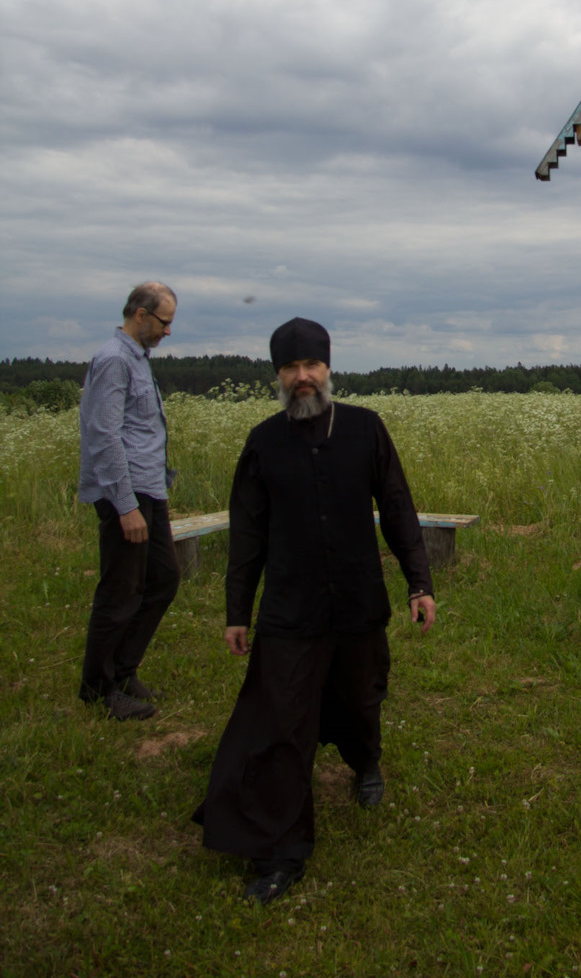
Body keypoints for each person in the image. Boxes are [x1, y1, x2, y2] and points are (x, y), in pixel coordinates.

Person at [193, 317, 436, 906]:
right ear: (277, 375)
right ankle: (280, 849)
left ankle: (366, 763)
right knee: (281, 722)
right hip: (290, 608)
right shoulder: (263, 442)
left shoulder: (365, 429)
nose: (303, 377)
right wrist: (236, 613)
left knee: (360, 694)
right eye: (291, 368)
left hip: (356, 601)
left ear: (329, 369)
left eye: (312, 366)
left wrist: (418, 583)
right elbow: (246, 536)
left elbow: (399, 508)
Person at [78, 281, 180, 720]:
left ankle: (121, 670)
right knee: (121, 592)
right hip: (128, 494)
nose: (168, 331)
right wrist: (125, 506)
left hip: (149, 489)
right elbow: (103, 436)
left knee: (162, 581)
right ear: (140, 314)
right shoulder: (114, 360)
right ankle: (98, 690)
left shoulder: (137, 360)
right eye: (164, 322)